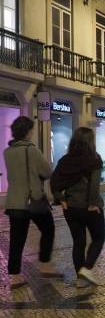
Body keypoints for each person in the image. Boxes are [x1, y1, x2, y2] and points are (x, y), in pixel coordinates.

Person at [4, 116, 59, 285]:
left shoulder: (7, 152)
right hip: (33, 200)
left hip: (14, 201)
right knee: (48, 229)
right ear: (28, 131)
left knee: (16, 239)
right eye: (31, 130)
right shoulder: (31, 150)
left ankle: (14, 276)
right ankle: (44, 264)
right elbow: (47, 171)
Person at [51, 127, 105, 286]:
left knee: (78, 242)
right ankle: (86, 269)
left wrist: (61, 199)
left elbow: (54, 181)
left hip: (71, 208)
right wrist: (93, 203)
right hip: (89, 208)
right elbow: (95, 185)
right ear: (90, 142)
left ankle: (80, 279)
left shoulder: (65, 160)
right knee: (99, 238)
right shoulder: (94, 159)